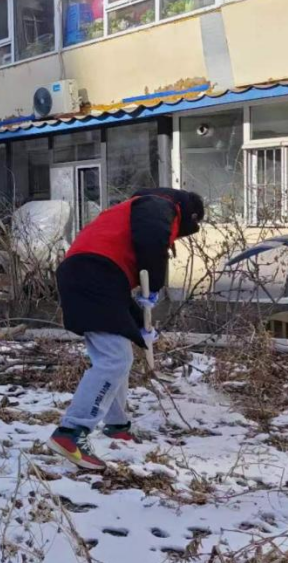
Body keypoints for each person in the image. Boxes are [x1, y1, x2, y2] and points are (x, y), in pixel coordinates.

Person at [49, 188, 206, 471]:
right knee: (114, 359)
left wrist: (139, 326)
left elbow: (120, 285)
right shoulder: (159, 205)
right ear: (189, 216)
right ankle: (71, 432)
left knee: (119, 354)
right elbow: (152, 239)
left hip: (94, 273)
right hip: (94, 273)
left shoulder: (136, 209)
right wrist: (156, 284)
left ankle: (117, 426)